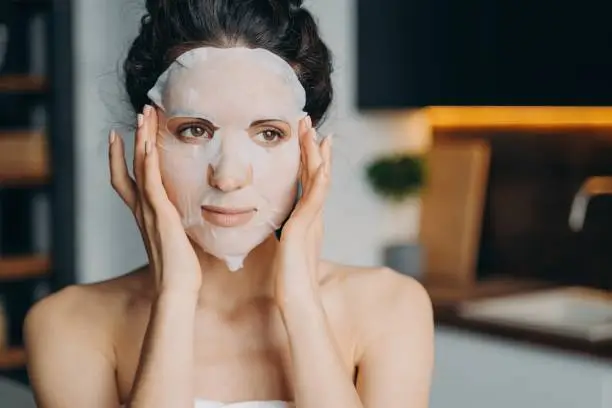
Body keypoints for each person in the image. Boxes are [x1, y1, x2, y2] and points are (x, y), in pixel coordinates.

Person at [23, 1, 434, 407]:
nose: (228, 176)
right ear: (145, 142)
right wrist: (176, 297)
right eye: (194, 130)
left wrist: (300, 302)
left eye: (269, 133)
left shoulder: (390, 307)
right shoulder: (67, 323)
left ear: (308, 152)